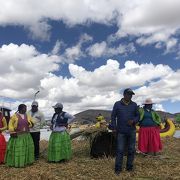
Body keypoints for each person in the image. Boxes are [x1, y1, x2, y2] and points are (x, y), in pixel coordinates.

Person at [109, 88, 140, 175]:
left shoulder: (134, 105)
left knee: (131, 150)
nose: (130, 96)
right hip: (121, 131)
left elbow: (138, 116)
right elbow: (113, 116)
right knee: (120, 150)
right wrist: (114, 127)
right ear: (124, 95)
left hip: (132, 131)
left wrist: (134, 121)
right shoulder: (117, 104)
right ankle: (118, 170)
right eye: (128, 94)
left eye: (131, 95)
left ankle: (129, 168)